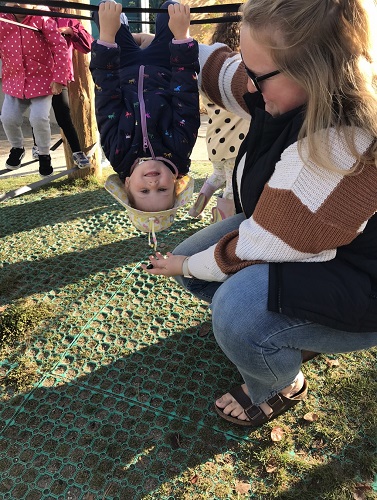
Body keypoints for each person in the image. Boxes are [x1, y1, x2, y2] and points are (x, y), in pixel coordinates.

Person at [143, 0, 377, 428]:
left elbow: (257, 244)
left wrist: (187, 264)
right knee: (208, 272)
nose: (248, 86)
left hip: (363, 281)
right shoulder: (289, 87)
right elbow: (226, 73)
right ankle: (294, 331)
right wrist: (162, 46)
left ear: (312, 69)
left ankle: (277, 384)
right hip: (316, 247)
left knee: (234, 307)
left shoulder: (345, 145)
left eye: (258, 74)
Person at [90, 1, 200, 213]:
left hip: (123, 64)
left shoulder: (117, 155)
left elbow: (106, 100)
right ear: (175, 181)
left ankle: (119, 23)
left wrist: (106, 39)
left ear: (128, 184)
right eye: (163, 190)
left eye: (144, 192)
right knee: (171, 8)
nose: (153, 185)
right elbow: (185, 95)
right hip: (164, 63)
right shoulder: (180, 149)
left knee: (102, 9)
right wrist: (182, 38)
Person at [189, 17, 249, 221]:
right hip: (236, 142)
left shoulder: (210, 76)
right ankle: (219, 226)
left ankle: (195, 210)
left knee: (217, 176)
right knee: (233, 187)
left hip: (215, 139)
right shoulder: (238, 74)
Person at [0, 3, 69, 176]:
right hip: (14, 79)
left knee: (38, 118)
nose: (19, 4)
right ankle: (17, 148)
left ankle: (44, 154)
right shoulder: (3, 19)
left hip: (42, 80)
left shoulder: (42, 18)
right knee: (8, 117)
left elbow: (60, 47)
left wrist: (59, 78)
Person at [31, 6, 93, 169]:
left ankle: (77, 152)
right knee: (38, 113)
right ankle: (38, 146)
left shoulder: (68, 19)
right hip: (37, 73)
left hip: (58, 75)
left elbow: (87, 45)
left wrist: (71, 31)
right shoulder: (34, 15)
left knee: (63, 115)